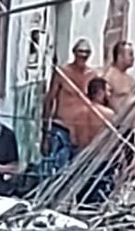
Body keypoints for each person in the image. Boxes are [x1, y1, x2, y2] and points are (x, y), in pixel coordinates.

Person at [42, 38, 96, 169]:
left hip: (82, 131)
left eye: (86, 53)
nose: (83, 56)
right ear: (74, 53)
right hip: (62, 127)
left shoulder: (92, 75)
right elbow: (49, 100)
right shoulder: (62, 73)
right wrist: (45, 132)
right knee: (57, 168)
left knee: (79, 170)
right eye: (80, 52)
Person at [74, 78, 119, 205]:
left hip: (82, 158)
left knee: (82, 197)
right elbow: (114, 140)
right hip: (102, 159)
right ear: (100, 92)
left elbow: (74, 137)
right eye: (107, 91)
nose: (109, 95)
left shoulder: (78, 113)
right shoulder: (108, 114)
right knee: (100, 198)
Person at [103, 41, 135, 114]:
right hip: (117, 120)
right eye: (130, 54)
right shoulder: (109, 77)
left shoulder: (131, 79)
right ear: (120, 56)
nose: (133, 58)